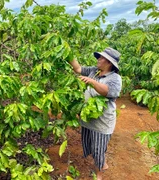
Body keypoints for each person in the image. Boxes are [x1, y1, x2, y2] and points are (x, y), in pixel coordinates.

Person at [69, 47, 122, 180]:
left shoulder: (115, 78)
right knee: (91, 144)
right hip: (88, 117)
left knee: (98, 149)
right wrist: (67, 52)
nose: (98, 59)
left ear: (109, 62)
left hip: (102, 122)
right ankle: (102, 162)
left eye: (102, 58)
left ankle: (99, 174)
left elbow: (108, 91)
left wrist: (92, 82)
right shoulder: (93, 71)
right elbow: (78, 69)